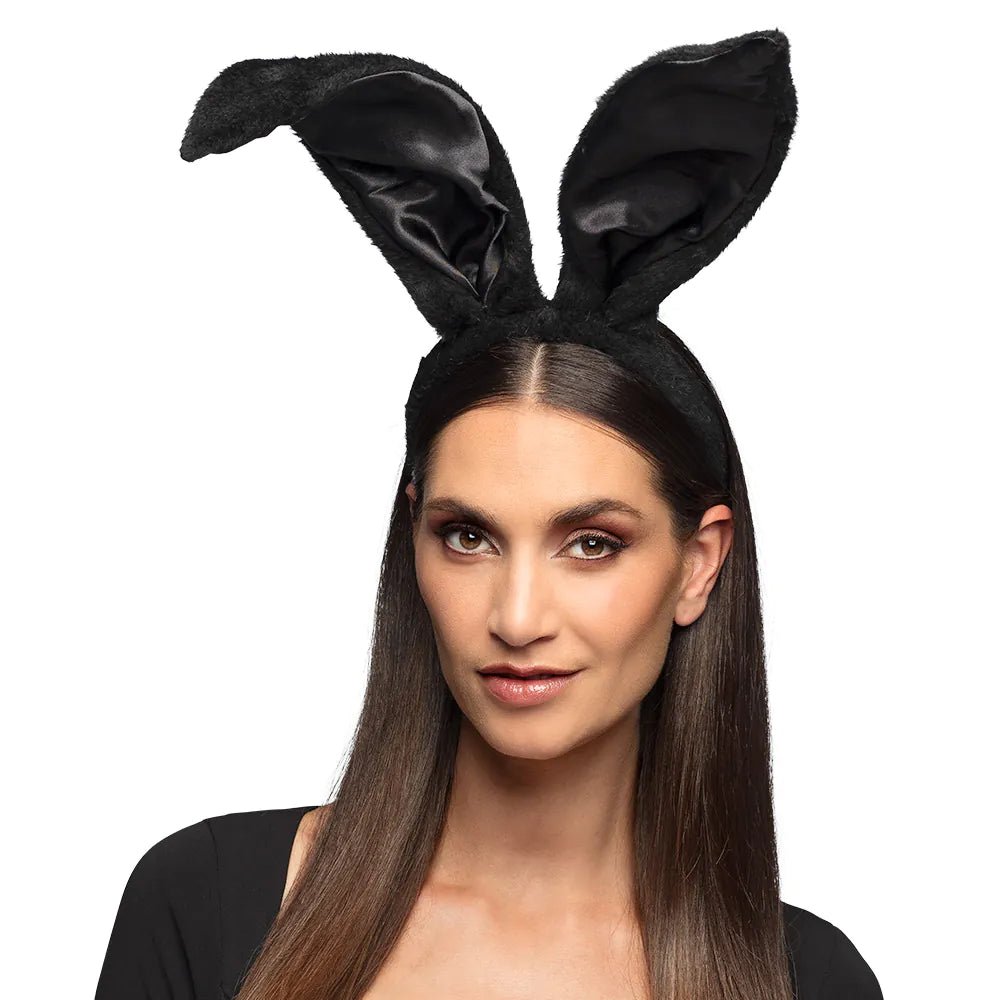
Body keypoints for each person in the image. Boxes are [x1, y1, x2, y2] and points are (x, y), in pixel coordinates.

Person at [96, 29, 883, 1000]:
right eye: (468, 536)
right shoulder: (208, 905)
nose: (516, 616)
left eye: (591, 543)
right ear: (414, 536)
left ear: (698, 562)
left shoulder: (805, 979)